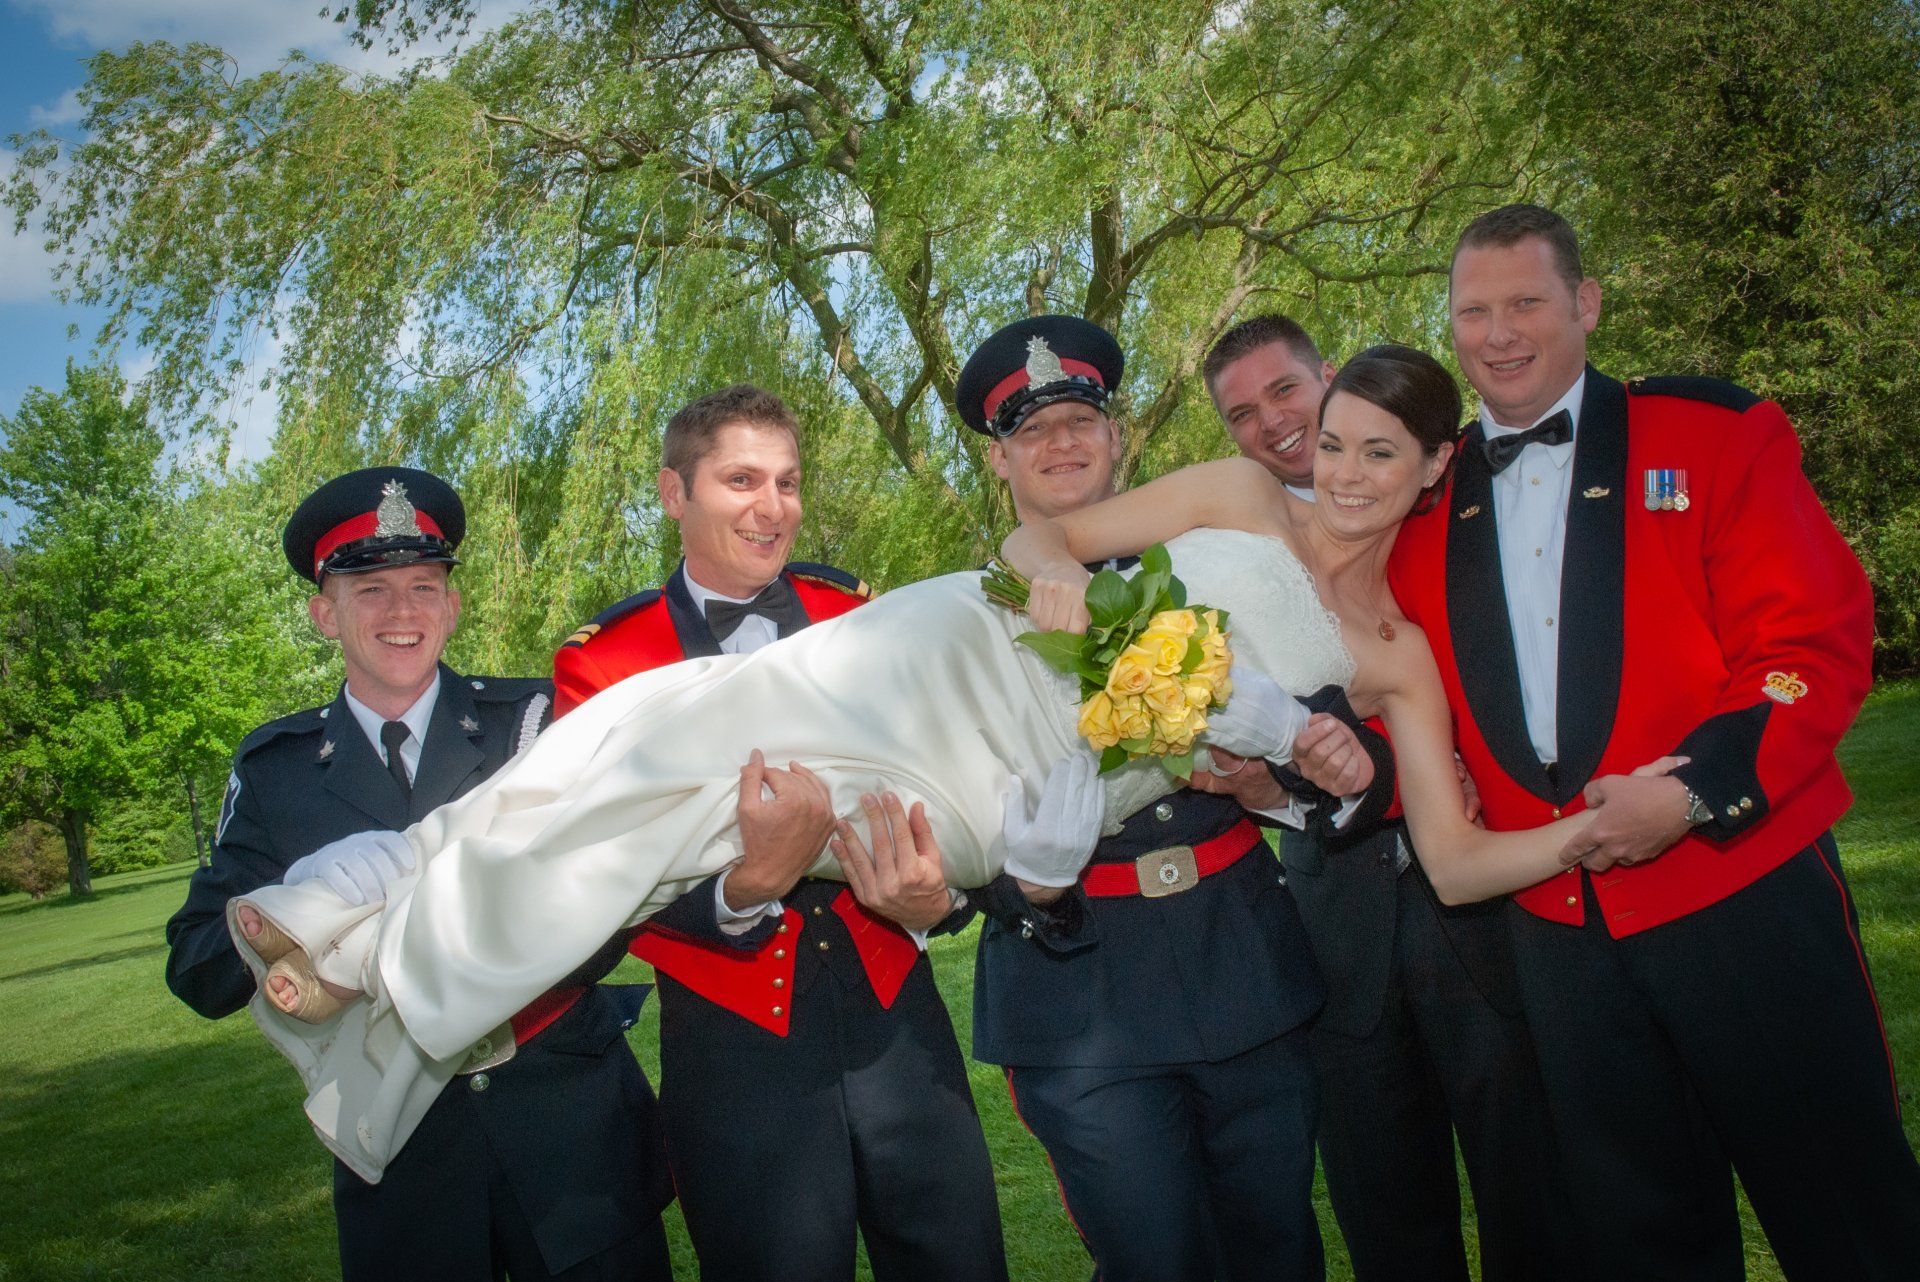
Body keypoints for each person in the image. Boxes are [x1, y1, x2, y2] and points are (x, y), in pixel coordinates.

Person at [225, 352, 1617, 1201]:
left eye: (1383, 455)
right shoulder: (1244, 493)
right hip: (965, 649)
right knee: (663, 725)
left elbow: (1456, 859)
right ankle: (378, 906)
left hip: (1027, 771)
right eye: (1337, 441)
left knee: (679, 794)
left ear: (1434, 469)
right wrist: (1089, 600)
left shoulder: (1394, 657)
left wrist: (1596, 825)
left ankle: (382, 942)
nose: (1346, 473)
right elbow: (1039, 543)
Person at [1385, 202, 1920, 1281]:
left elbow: (1808, 646)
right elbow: (1397, 682)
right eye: (1474, 311)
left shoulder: (1710, 435)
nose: (1499, 333)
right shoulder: (1417, 500)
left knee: (1851, 1216)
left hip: (1742, 890)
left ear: (1585, 302)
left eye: (1527, 301)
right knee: (1643, 1244)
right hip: (1558, 938)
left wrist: (1691, 793)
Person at [164, 467, 673, 1282]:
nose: (402, 612)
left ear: (452, 605)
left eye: (423, 586)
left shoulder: (535, 727)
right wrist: (297, 895)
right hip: (405, 1167)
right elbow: (197, 967)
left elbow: (622, 901)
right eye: (371, 589)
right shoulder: (276, 771)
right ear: (324, 614)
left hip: (573, 1141)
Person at [546, 383, 1007, 1282]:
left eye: (788, 483)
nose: (772, 507)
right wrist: (742, 889)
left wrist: (942, 897)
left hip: (900, 1021)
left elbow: (950, 790)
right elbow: (592, 876)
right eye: (741, 480)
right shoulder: (605, 662)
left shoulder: (860, 616)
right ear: (674, 493)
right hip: (733, 1053)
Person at [956, 315, 1364, 1282]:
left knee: (1278, 1251)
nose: (1061, 443)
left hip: (1242, 962)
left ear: (1117, 435)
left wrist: (1273, 776)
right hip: (1079, 994)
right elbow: (948, 816)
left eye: (1079, 422)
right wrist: (1026, 885)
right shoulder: (963, 619)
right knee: (1154, 1261)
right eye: (1031, 430)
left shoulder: (1209, 554)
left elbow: (1321, 719)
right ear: (998, 458)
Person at [1203, 315, 1579, 1282]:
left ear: (1326, 379)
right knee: (1386, 1214)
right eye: (1241, 414)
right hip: (1338, 925)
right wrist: (1268, 786)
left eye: (1285, 392)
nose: (1272, 423)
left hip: (1482, 926)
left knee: (1531, 1195)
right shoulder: (1230, 539)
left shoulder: (1455, 516)